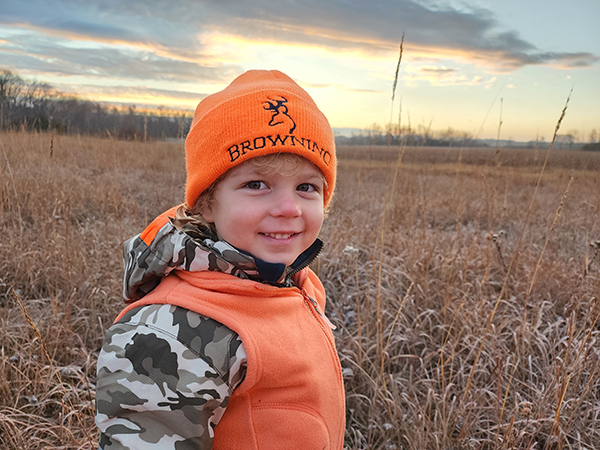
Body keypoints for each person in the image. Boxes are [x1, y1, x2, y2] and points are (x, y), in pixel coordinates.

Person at [95, 70, 346, 449]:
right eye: (256, 184)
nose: (288, 207)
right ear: (208, 202)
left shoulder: (296, 284)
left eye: (306, 187)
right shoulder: (170, 333)